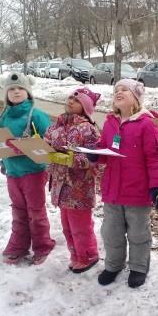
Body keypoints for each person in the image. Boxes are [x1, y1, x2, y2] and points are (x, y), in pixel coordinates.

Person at [88, 78, 158, 288]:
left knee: (138, 233)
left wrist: (156, 186)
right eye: (116, 90)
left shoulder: (147, 124)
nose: (119, 92)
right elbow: (106, 149)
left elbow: (154, 157)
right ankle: (113, 264)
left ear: (136, 99)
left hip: (137, 193)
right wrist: (96, 154)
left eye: (125, 90)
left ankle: (139, 267)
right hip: (112, 191)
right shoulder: (110, 122)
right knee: (111, 232)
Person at [0, 72, 55, 265]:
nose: (16, 92)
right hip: (12, 171)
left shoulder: (36, 115)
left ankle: (42, 245)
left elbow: (49, 143)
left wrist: (29, 145)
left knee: (36, 211)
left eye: (20, 88)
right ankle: (18, 245)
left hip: (34, 171)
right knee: (18, 210)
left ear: (28, 92)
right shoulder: (3, 115)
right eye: (11, 89)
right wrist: (3, 161)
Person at [43, 87, 101, 273]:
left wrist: (70, 159)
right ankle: (75, 254)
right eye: (69, 98)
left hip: (79, 187)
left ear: (85, 106)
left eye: (76, 101)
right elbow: (46, 142)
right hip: (60, 184)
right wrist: (41, 147)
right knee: (67, 226)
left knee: (80, 226)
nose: (70, 102)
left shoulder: (89, 129)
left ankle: (88, 255)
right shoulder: (56, 125)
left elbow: (96, 158)